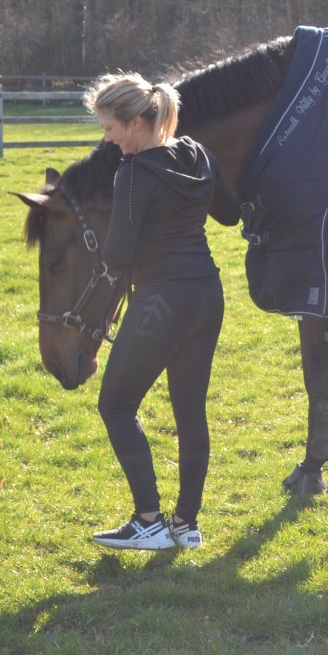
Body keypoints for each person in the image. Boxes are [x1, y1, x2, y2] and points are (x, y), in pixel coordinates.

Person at [82, 73, 239, 550]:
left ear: (134, 123)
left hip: (161, 300)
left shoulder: (132, 173)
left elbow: (117, 255)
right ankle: (186, 525)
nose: (107, 139)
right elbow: (229, 213)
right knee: (190, 409)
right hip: (206, 296)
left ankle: (148, 520)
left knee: (115, 405)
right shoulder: (196, 154)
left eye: (109, 128)